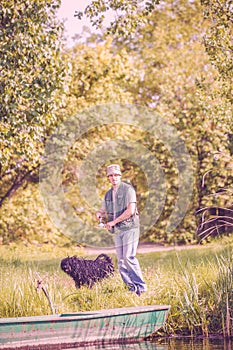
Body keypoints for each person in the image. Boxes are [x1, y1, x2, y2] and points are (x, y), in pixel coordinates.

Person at [96, 164, 147, 296]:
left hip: (130, 228)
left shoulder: (128, 190)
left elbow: (130, 211)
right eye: (111, 175)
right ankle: (131, 288)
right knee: (121, 261)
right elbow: (104, 208)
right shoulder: (108, 194)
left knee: (128, 257)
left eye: (116, 175)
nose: (114, 178)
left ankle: (141, 287)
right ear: (108, 178)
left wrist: (113, 222)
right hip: (118, 231)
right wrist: (100, 213)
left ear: (120, 176)